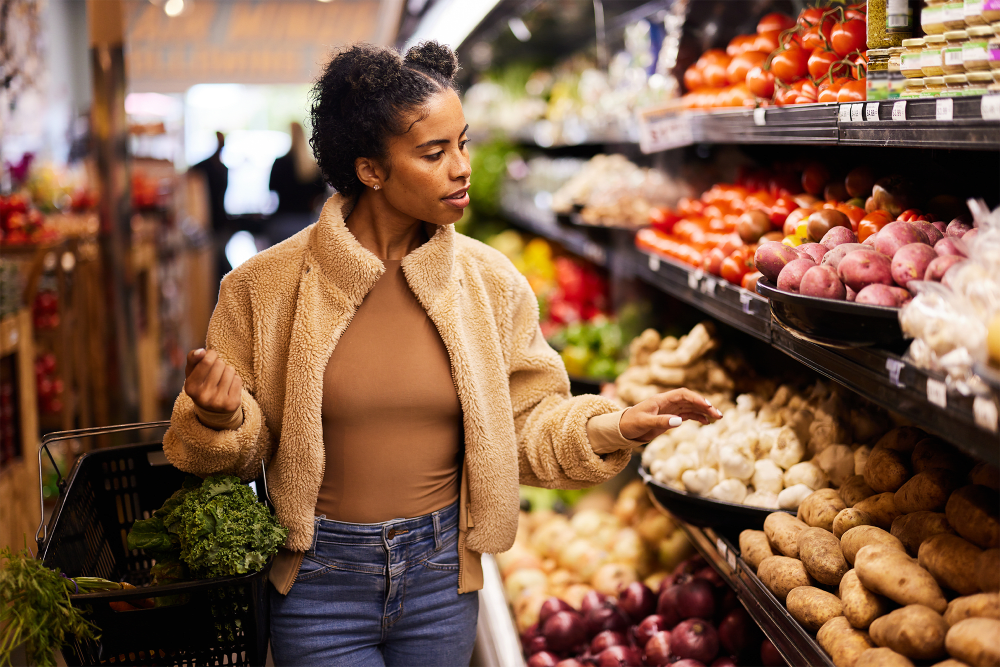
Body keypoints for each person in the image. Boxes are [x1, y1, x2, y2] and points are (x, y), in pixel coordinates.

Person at [162, 41, 722, 667]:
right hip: (320, 585)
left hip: (439, 580)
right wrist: (218, 418)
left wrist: (615, 423)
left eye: (463, 144)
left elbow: (526, 424)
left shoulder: (490, 282)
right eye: (434, 152)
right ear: (370, 170)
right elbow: (232, 454)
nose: (462, 168)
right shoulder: (263, 288)